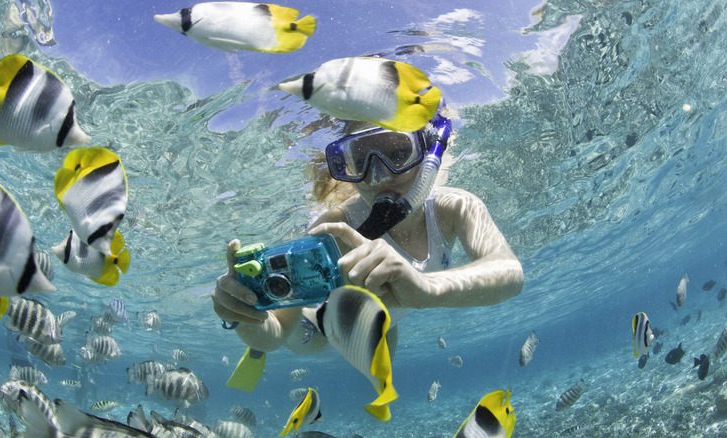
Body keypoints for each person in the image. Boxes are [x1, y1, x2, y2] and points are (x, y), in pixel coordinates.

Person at [213, 107, 524, 358]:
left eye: (398, 152)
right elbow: (276, 335)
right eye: (360, 161)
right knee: (317, 344)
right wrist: (247, 316)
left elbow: (509, 272)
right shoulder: (336, 228)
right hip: (323, 327)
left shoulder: (457, 207)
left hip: (385, 321)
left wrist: (426, 288)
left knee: (384, 349)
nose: (378, 176)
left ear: (428, 155)